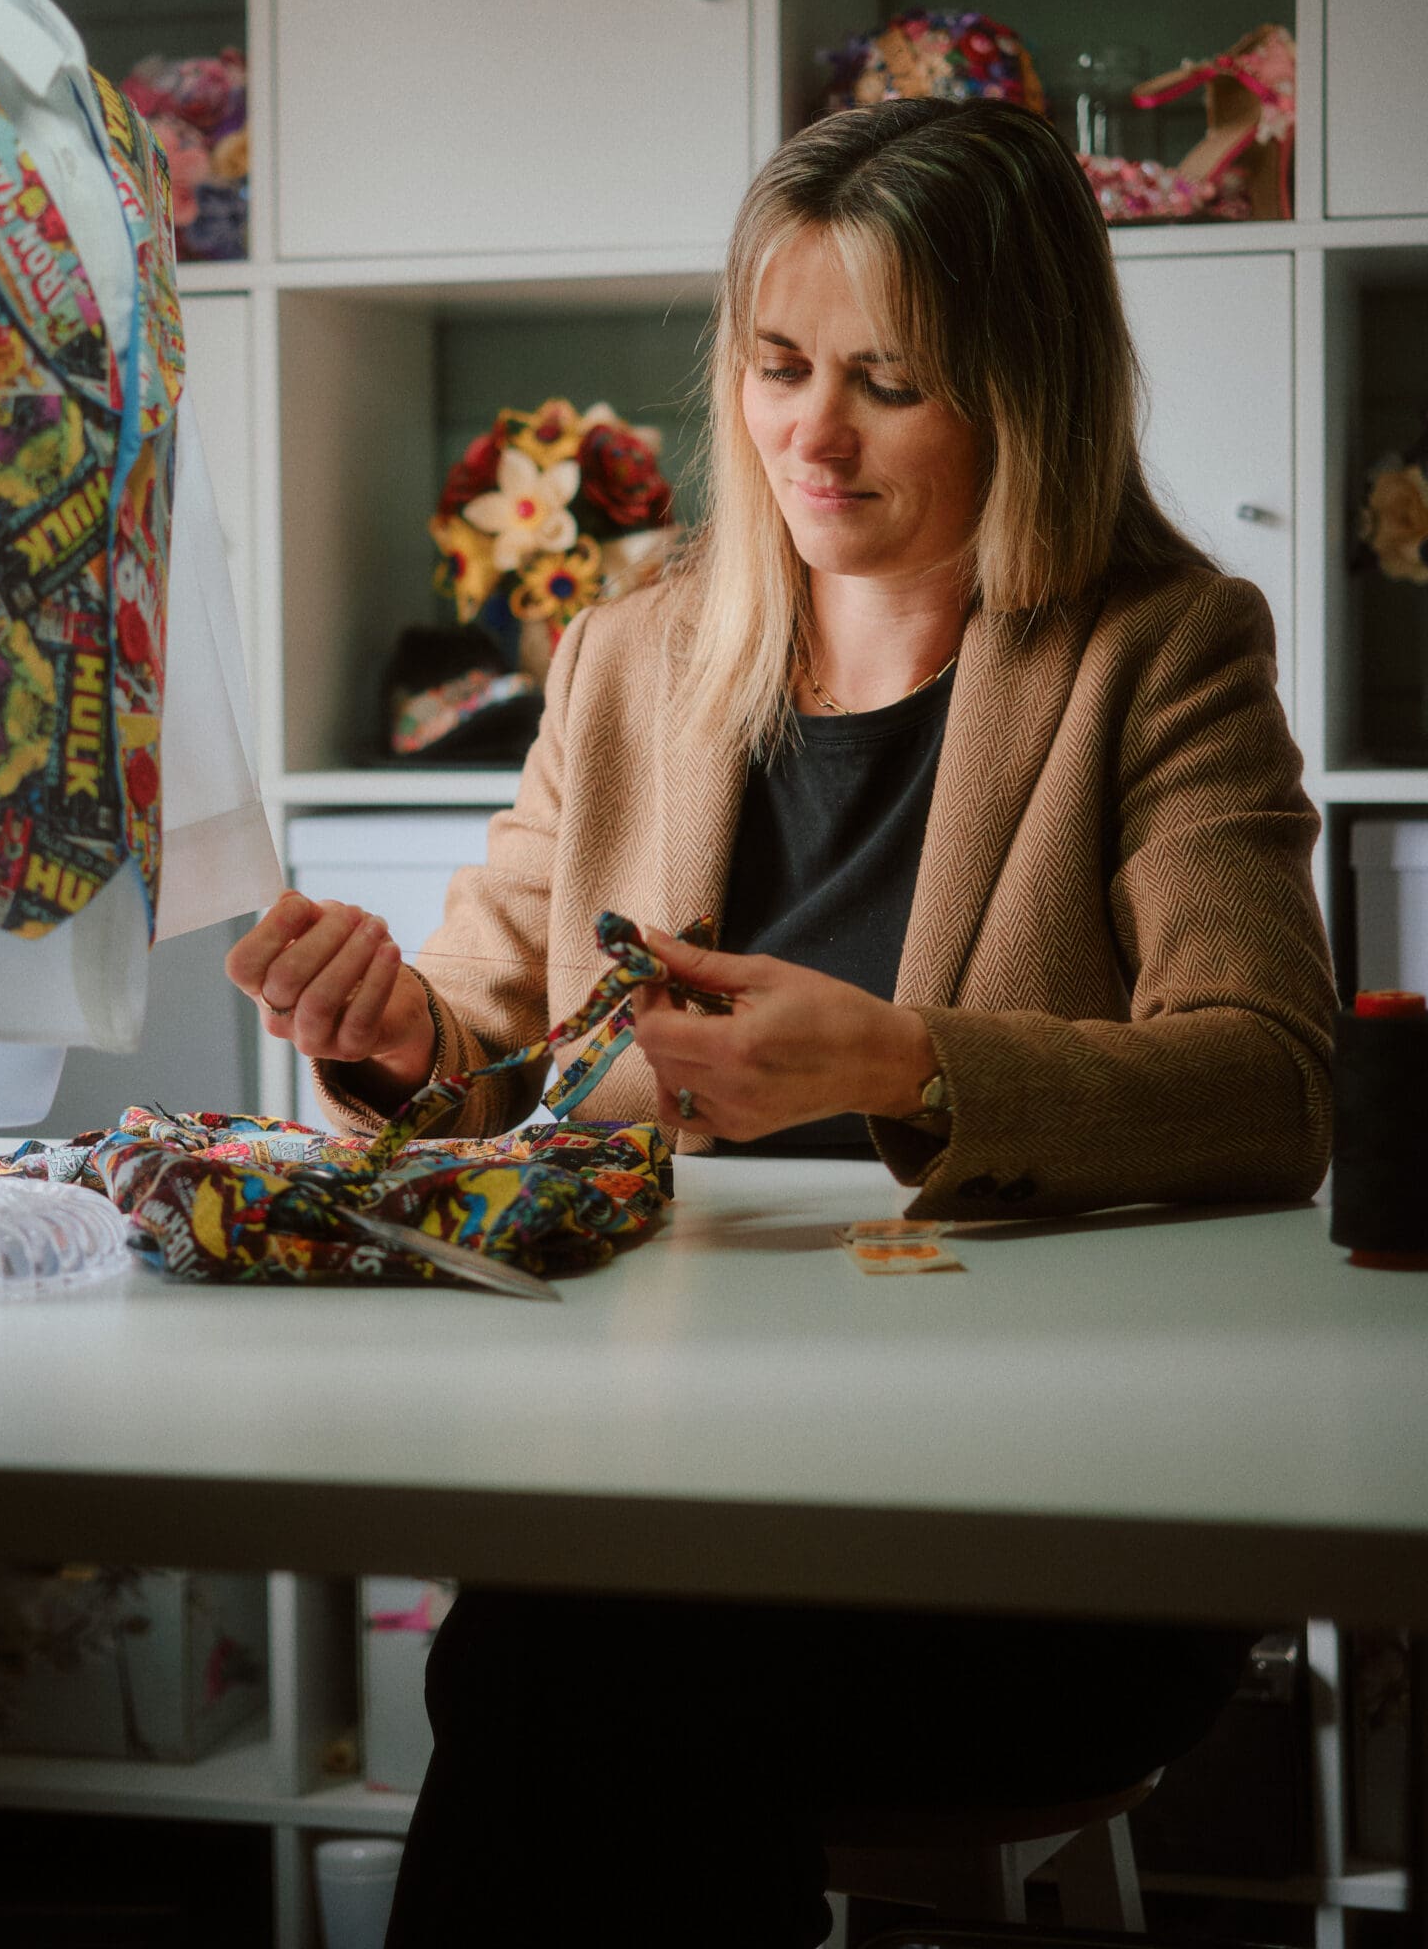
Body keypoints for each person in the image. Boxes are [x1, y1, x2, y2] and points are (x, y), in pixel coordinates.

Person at [227, 100, 1335, 1949]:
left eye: (890, 381)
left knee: (563, 1674)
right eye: (779, 365)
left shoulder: (1166, 647)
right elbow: (487, 1043)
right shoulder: (635, 650)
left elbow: (1276, 1080)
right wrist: (392, 1041)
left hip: (1039, 1530)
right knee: (563, 1653)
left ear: (1026, 386)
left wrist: (908, 1059)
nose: (813, 434)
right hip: (688, 1472)